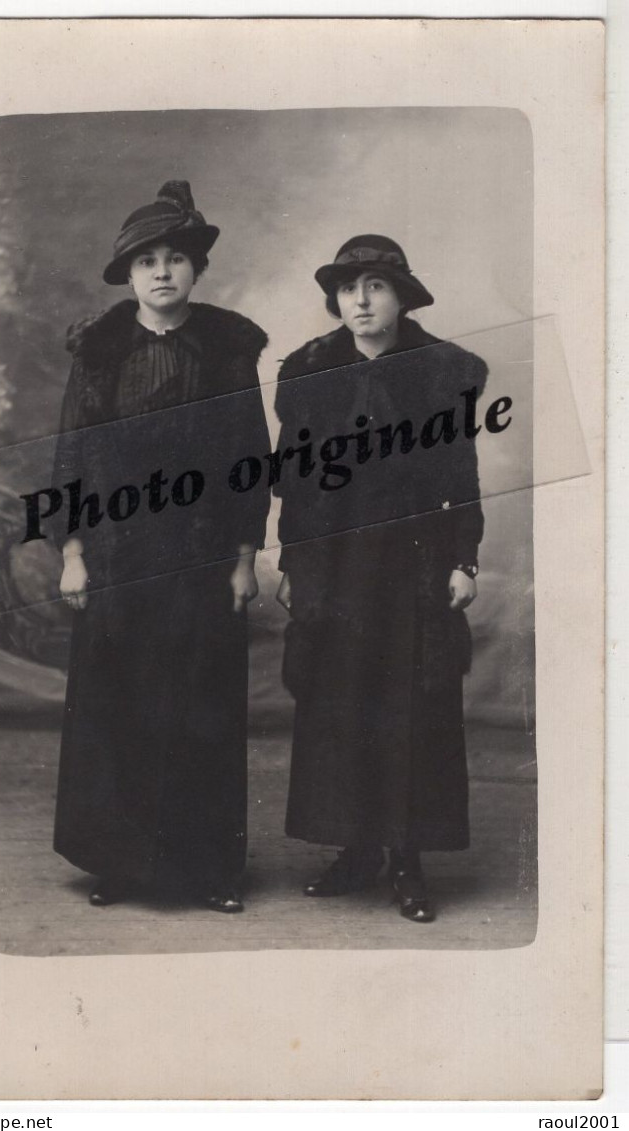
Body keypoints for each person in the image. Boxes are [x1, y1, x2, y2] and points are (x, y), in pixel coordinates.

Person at [52, 181, 270, 913]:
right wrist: (73, 551)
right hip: (119, 555)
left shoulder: (228, 350)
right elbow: (73, 455)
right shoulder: (102, 352)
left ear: (196, 271)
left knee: (202, 706)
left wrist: (244, 557)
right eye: (148, 261)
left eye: (176, 258)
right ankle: (122, 862)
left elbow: (249, 455)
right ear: (130, 275)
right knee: (121, 706)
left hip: (204, 556)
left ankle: (209, 869)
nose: (163, 272)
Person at [274, 234, 487, 923]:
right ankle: (356, 848)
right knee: (340, 701)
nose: (359, 300)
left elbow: (459, 473)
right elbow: (296, 480)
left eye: (374, 286)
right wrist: (293, 561)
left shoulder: (438, 370)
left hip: (413, 561)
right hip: (335, 564)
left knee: (409, 706)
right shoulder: (310, 371)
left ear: (401, 297)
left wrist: (462, 559)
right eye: (347, 288)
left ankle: (406, 857)